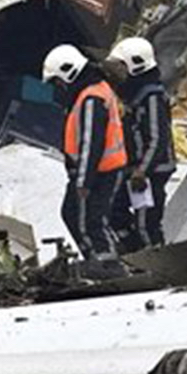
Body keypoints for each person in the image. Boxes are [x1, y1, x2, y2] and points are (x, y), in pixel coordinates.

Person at [43, 43, 128, 275]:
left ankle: (105, 262)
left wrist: (83, 181)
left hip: (99, 172)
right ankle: (106, 259)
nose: (59, 87)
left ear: (69, 72)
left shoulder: (92, 97)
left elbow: (92, 142)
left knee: (87, 219)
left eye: (58, 81)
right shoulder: (93, 90)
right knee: (83, 215)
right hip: (101, 170)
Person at [107, 36, 174, 250]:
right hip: (136, 169)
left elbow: (157, 138)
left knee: (147, 224)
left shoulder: (152, 97)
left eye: (121, 68)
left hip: (151, 171)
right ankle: (134, 254)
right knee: (113, 211)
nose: (117, 74)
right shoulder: (134, 96)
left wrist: (142, 171)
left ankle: (156, 264)